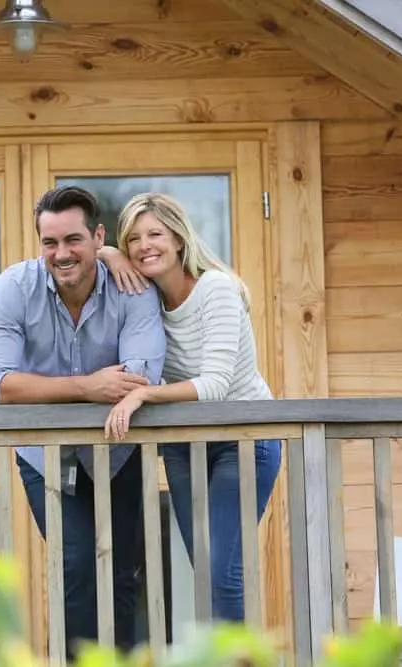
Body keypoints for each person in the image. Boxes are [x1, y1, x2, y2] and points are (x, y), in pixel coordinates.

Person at [0, 185, 166, 656]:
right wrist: (86, 387)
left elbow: (139, 377)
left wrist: (45, 387)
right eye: (49, 243)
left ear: (97, 237)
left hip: (120, 450)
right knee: (77, 564)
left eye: (74, 240)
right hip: (47, 455)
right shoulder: (14, 288)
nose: (61, 254)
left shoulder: (132, 288)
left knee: (122, 571)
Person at [98, 192, 282, 622]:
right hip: (185, 444)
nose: (146, 246)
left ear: (179, 239)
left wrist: (142, 393)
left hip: (244, 439)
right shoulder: (145, 304)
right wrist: (107, 253)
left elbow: (216, 384)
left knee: (222, 575)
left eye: (156, 234)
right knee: (206, 573)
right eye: (134, 239)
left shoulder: (216, 289)